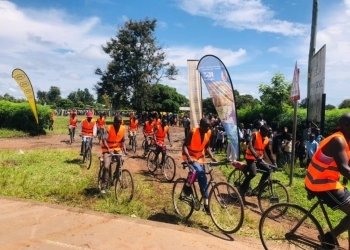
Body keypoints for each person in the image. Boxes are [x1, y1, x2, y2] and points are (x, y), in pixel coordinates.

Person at [305, 113, 350, 249]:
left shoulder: (346, 140)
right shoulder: (338, 140)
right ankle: (329, 237)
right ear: (345, 126)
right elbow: (344, 168)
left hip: (328, 181)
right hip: (320, 183)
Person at [182, 117, 217, 215]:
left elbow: (207, 147)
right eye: (206, 127)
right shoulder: (192, 132)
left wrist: (212, 157)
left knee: (204, 180)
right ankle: (187, 186)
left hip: (200, 157)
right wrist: (188, 157)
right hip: (190, 155)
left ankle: (206, 206)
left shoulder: (208, 132)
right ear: (200, 126)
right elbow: (184, 145)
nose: (208, 129)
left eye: (209, 127)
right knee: (197, 169)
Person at [241, 125, 277, 201]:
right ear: (261, 131)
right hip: (250, 158)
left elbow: (268, 151)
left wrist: (274, 162)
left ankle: (259, 187)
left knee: (268, 170)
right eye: (266, 132)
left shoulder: (266, 139)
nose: (267, 133)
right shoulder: (255, 135)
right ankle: (242, 187)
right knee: (253, 173)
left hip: (259, 160)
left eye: (268, 132)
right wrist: (257, 156)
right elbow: (250, 146)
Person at [100, 115, 127, 194]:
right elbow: (104, 139)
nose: (119, 124)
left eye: (120, 122)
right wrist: (108, 148)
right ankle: (104, 185)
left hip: (117, 149)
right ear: (114, 122)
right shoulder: (109, 128)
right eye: (117, 122)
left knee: (121, 160)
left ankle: (116, 175)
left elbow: (123, 140)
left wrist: (125, 150)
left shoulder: (123, 128)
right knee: (106, 166)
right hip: (107, 149)